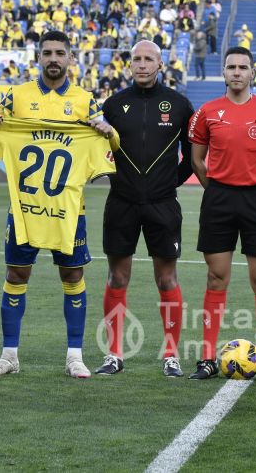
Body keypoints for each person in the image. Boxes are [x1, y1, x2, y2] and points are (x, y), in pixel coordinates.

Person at [0, 30, 119, 379]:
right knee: (15, 273)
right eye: (47, 53)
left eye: (60, 53)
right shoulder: (17, 97)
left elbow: (112, 147)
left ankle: (75, 355)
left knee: (72, 275)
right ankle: (9, 354)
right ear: (38, 57)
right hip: (24, 207)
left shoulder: (86, 100)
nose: (53, 58)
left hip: (69, 209)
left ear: (71, 58)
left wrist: (108, 131)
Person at [187, 46, 256, 382]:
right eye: (230, 67)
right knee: (217, 277)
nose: (236, 72)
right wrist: (215, 189)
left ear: (252, 73)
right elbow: (197, 160)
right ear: (224, 72)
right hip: (219, 199)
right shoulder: (208, 112)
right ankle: (206, 358)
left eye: (242, 67)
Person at [95, 40, 195, 378]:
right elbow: (97, 152)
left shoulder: (180, 105)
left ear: (160, 64)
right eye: (136, 59)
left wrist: (169, 184)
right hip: (121, 203)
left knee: (166, 278)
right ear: (129, 64)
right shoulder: (113, 105)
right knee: (117, 276)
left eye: (148, 59)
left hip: (163, 205)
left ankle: (171, 354)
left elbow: (192, 159)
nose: (142, 64)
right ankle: (114, 354)